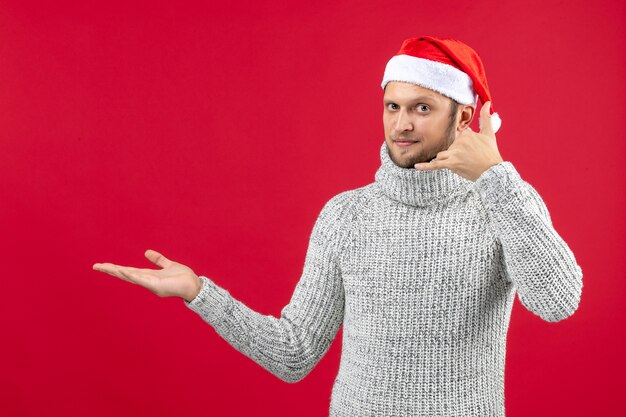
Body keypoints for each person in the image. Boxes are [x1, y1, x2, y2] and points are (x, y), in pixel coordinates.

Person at [93, 36, 583, 416]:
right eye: (393, 106)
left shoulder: (502, 203)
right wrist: (200, 292)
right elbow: (294, 353)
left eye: (422, 108)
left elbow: (558, 301)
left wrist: (495, 178)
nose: (402, 124)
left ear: (464, 118)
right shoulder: (346, 216)